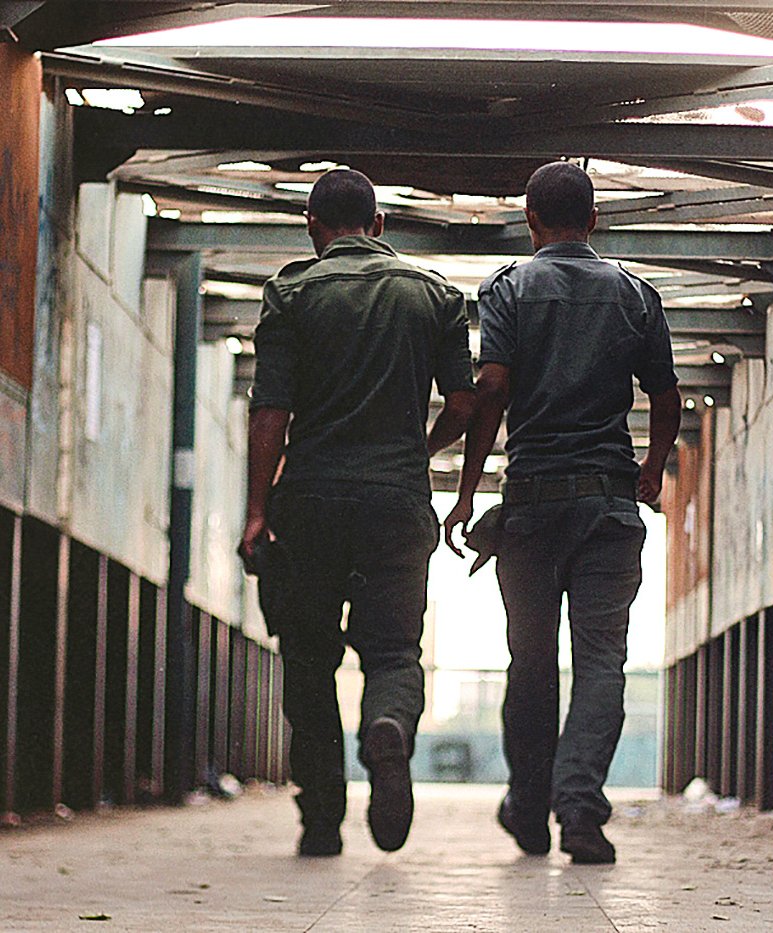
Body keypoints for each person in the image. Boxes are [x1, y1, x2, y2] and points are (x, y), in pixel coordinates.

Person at [444, 161, 681, 864]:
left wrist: (465, 491)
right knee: (602, 661)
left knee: (531, 663)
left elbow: (490, 391)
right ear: (594, 221)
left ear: (529, 219)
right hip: (609, 507)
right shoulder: (635, 294)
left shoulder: (510, 288)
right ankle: (579, 811)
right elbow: (664, 400)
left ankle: (526, 802)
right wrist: (651, 467)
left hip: (532, 512)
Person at [239, 169, 474, 857]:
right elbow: (463, 406)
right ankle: (389, 724)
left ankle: (320, 819)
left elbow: (270, 411)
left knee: (307, 656)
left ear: (312, 227)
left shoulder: (289, 292)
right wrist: (415, 451)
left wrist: (257, 510)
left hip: (309, 500)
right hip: (396, 502)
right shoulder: (434, 295)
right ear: (378, 225)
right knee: (395, 649)